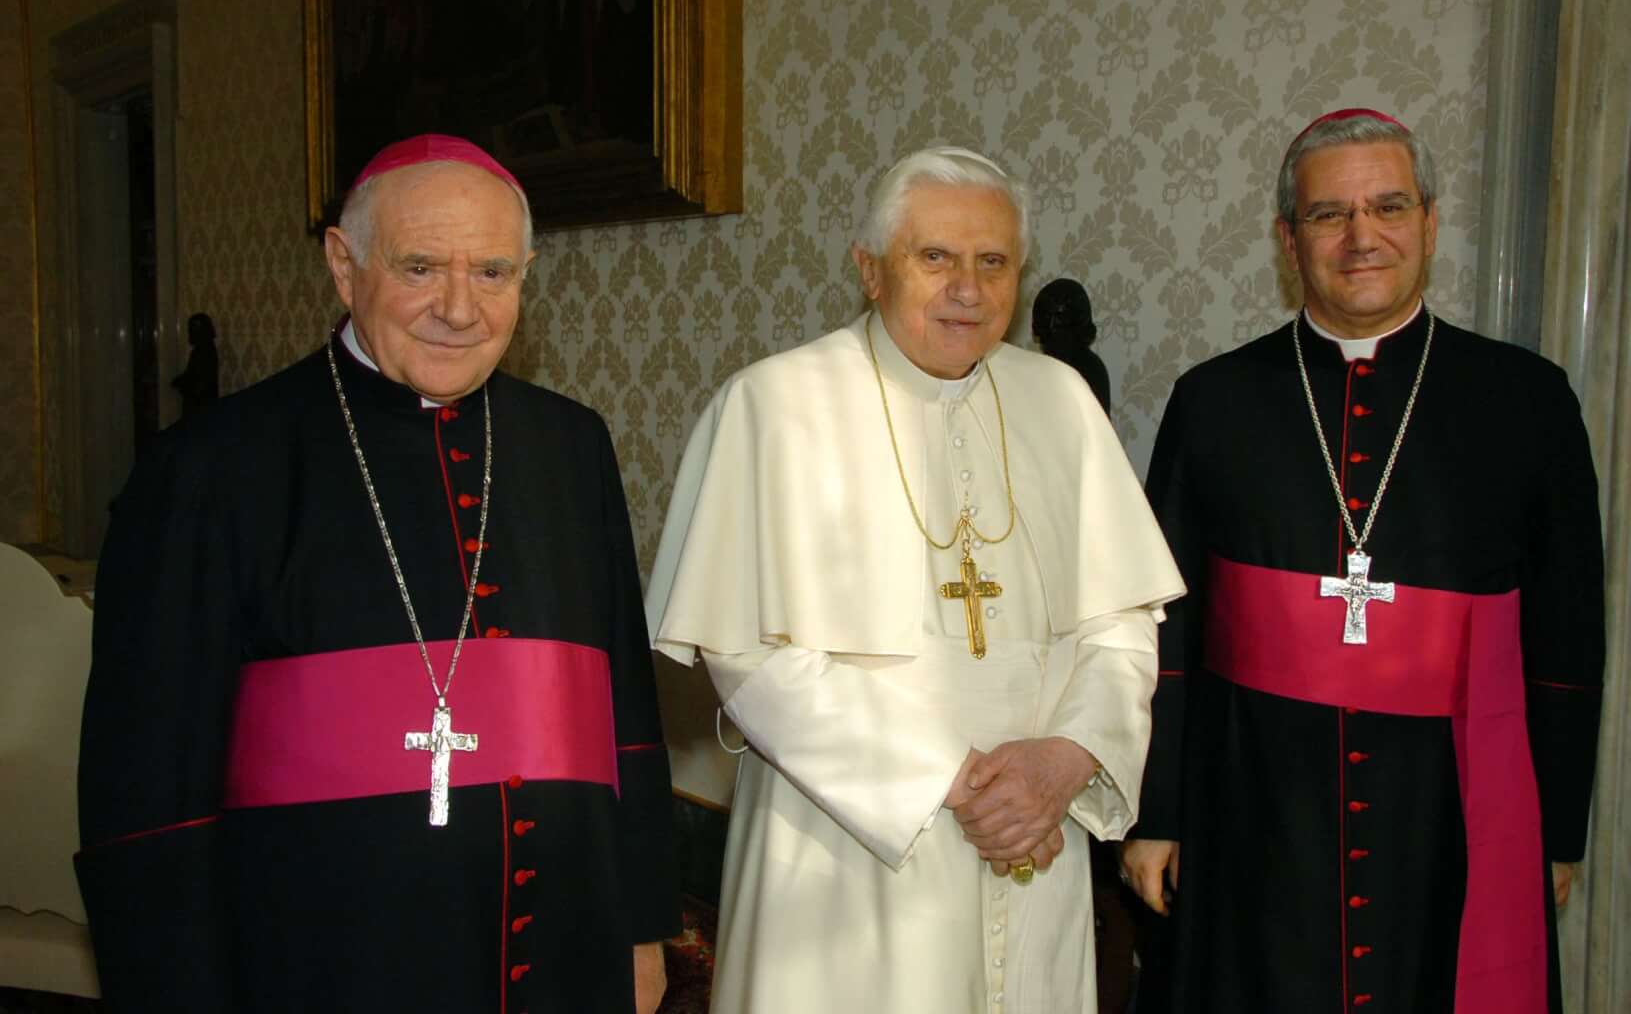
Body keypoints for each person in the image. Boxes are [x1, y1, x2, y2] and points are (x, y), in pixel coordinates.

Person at [77, 134, 679, 1012]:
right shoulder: (209, 467)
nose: (459, 309)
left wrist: (640, 928)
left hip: (566, 945)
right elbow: (148, 787)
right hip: (322, 963)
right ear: (343, 265)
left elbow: (623, 706)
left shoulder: (570, 444)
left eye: (493, 273)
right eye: (420, 267)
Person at [645, 145, 1184, 1013]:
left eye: (993, 262)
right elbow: (749, 656)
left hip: (1032, 833)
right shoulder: (775, 406)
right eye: (934, 257)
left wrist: (1062, 762)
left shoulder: (1061, 403)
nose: (967, 288)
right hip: (841, 847)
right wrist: (958, 782)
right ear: (869, 269)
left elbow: (1122, 625)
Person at [1121, 109, 1605, 1012]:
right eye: (1327, 214)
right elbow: (1166, 628)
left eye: (1387, 206)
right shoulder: (1213, 401)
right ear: (1287, 240)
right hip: (1256, 797)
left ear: (1429, 221)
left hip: (1449, 801)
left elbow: (1567, 635)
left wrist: (1556, 830)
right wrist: (1158, 813)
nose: (1360, 237)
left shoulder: (1526, 401)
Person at [1032, 277, 1111, 411]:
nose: (1050, 328)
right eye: (1045, 319)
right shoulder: (1044, 370)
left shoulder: (1089, 371)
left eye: (1059, 322)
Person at [170, 311, 219, 417]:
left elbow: (201, 381)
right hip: (201, 404)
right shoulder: (203, 350)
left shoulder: (205, 351)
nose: (190, 334)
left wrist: (183, 384)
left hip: (200, 406)